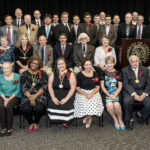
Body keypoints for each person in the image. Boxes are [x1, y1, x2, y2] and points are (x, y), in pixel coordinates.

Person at [20, 56, 48, 133]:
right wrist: (30, 97)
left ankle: (36, 122)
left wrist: (34, 96)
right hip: (27, 95)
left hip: (40, 95)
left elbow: (44, 87)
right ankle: (30, 122)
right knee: (25, 108)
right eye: (32, 63)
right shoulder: (24, 73)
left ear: (39, 65)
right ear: (29, 63)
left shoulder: (43, 73)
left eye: (36, 64)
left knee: (38, 108)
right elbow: (23, 87)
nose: (34, 65)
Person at [122, 55, 150, 130]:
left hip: (142, 91)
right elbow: (126, 84)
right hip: (130, 92)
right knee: (126, 101)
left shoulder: (145, 70)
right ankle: (129, 119)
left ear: (139, 61)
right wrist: (134, 94)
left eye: (136, 61)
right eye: (132, 62)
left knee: (149, 104)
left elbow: (148, 84)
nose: (134, 63)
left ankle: (140, 113)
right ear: (129, 62)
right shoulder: (125, 70)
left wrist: (144, 94)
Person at [74, 59, 104, 128]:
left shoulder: (95, 74)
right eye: (86, 65)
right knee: (85, 102)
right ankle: (88, 117)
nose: (88, 66)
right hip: (82, 92)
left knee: (93, 102)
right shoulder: (79, 74)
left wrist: (91, 94)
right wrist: (86, 94)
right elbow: (77, 88)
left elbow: (98, 87)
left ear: (92, 65)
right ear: (83, 66)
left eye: (90, 65)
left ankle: (89, 118)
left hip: (93, 91)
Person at [47, 57, 76, 128]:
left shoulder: (71, 74)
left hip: (67, 93)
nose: (61, 65)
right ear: (56, 65)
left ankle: (65, 121)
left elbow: (73, 88)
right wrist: (53, 97)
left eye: (62, 63)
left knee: (66, 104)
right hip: (55, 93)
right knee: (53, 103)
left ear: (65, 64)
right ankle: (56, 120)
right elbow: (50, 86)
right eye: (59, 64)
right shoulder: (53, 73)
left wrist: (66, 98)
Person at [100, 56, 125, 130]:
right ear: (105, 64)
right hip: (106, 93)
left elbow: (120, 86)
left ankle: (120, 119)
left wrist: (115, 94)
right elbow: (102, 86)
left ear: (114, 63)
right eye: (108, 63)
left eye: (111, 63)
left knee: (117, 105)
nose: (110, 65)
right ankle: (115, 119)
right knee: (110, 105)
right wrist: (109, 95)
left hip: (116, 92)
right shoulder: (103, 73)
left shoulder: (118, 72)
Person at [0, 62, 21, 136]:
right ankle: (3, 128)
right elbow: (0, 90)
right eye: (4, 68)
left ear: (11, 68)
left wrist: (8, 100)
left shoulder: (17, 76)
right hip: (3, 96)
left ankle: (9, 128)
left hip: (15, 96)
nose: (6, 70)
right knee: (1, 106)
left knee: (8, 106)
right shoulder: (0, 76)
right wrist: (5, 98)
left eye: (8, 68)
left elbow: (18, 90)